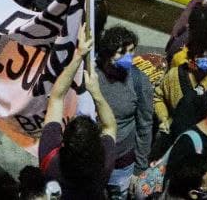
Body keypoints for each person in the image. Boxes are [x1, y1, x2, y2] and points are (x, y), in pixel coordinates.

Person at [40, 24, 118, 199]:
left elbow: (56, 97)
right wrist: (96, 93)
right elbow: (110, 126)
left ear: (64, 145)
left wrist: (79, 54)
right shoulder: (103, 166)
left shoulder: (50, 161)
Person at [94, 25, 155, 197]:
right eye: (122, 53)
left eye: (131, 52)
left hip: (122, 163)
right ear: (107, 54)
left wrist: (139, 169)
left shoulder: (139, 81)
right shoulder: (91, 77)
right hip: (93, 160)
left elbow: (145, 126)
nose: (128, 58)